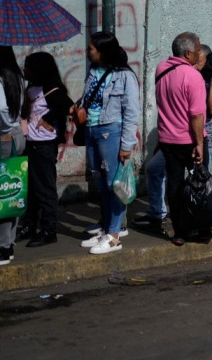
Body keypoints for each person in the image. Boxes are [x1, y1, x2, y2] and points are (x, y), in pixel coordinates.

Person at [76, 31, 141, 255]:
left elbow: (132, 113)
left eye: (90, 49)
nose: (87, 52)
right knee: (101, 182)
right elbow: (88, 98)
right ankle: (106, 227)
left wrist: (126, 145)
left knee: (115, 185)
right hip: (92, 131)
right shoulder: (93, 72)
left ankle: (114, 235)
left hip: (111, 132)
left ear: (102, 50)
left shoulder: (125, 76)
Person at [153, 33, 209, 246]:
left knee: (174, 186)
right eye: (196, 50)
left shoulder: (161, 69)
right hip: (189, 141)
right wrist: (199, 144)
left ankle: (180, 232)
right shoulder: (193, 76)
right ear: (187, 53)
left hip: (168, 140)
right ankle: (203, 229)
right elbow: (196, 115)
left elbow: (163, 105)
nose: (199, 54)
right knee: (200, 186)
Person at [20, 52, 70, 248]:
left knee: (45, 189)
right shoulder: (32, 86)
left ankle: (49, 230)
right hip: (30, 144)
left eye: (28, 66)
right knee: (30, 189)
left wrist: (49, 119)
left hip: (43, 146)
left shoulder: (53, 89)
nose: (25, 70)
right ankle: (29, 225)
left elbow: (70, 108)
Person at [0, 47, 25, 265]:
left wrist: (6, 129)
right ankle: (9, 243)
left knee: (4, 191)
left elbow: (1, 110)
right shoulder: (17, 76)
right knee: (13, 190)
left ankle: (3, 247)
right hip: (16, 134)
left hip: (4, 136)